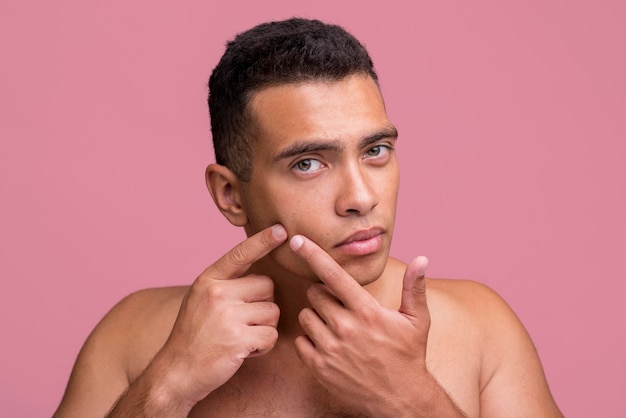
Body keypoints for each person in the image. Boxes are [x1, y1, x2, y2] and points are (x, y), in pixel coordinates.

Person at [53, 18, 563, 417]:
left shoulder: (480, 328)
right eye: (308, 163)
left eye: (376, 150)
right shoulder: (133, 336)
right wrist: (165, 386)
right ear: (231, 195)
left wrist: (415, 402)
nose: (361, 197)